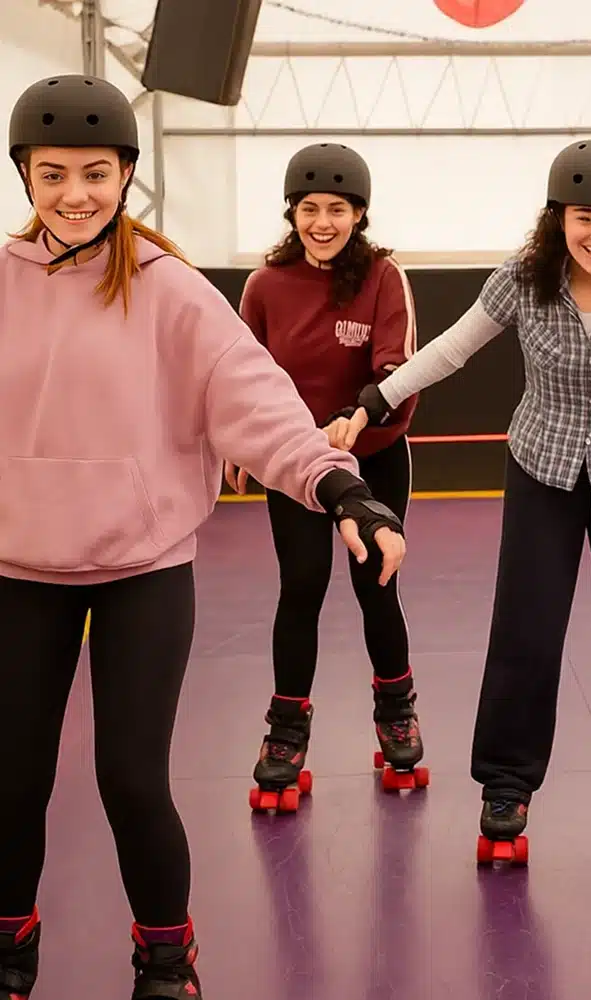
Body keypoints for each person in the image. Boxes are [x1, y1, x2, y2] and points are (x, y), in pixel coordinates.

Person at [0, 74, 405, 999]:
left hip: (143, 568)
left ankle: (166, 958)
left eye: (96, 173)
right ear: (25, 176)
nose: (75, 195)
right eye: (53, 173)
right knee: (10, 782)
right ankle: (10, 945)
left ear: (127, 175)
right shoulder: (4, 284)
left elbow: (257, 402)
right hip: (20, 569)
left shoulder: (169, 289)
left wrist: (341, 487)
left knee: (131, 782)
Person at [329, 139, 591, 857]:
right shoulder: (523, 279)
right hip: (541, 469)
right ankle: (507, 783)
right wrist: (375, 399)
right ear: (558, 218)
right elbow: (452, 348)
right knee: (525, 633)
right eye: (583, 217)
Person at [226, 142, 424, 804]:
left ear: (359, 214)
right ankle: (286, 730)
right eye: (308, 209)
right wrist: (236, 441)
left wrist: (358, 417)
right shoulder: (265, 286)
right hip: (296, 462)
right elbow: (240, 376)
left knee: (375, 586)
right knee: (302, 586)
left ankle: (396, 713)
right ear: (292, 213)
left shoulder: (383, 278)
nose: (321, 223)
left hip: (374, 457)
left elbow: (399, 371)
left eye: (336, 209)